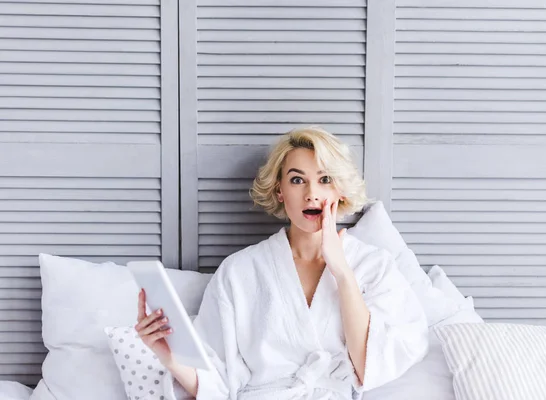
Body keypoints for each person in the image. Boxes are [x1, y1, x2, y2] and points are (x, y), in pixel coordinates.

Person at [135, 126, 428, 399]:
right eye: (297, 180)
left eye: (325, 179)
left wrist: (342, 272)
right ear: (280, 191)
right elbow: (218, 380)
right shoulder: (239, 271)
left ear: (339, 191)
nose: (311, 193)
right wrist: (169, 357)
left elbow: (370, 366)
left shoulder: (374, 266)